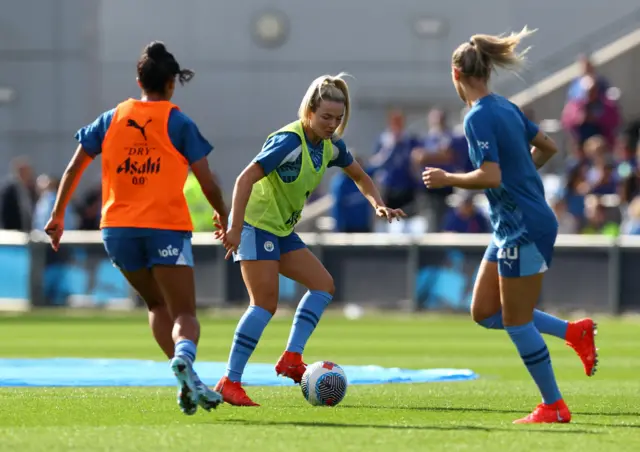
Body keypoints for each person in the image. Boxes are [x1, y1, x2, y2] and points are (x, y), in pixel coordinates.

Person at [422, 28, 597, 424]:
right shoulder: (506, 106)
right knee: (485, 311)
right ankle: (574, 333)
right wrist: (521, 177)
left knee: (516, 320)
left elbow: (491, 176)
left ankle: (553, 405)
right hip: (511, 224)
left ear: (456, 75)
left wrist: (449, 178)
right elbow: (548, 147)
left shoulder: (477, 117)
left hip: (523, 226)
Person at [44, 41, 228, 416]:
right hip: (163, 227)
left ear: (139, 79)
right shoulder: (177, 121)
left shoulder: (111, 118)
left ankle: (185, 378)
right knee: (185, 314)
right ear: (171, 84)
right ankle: (185, 361)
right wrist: (223, 214)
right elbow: (206, 180)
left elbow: (72, 168)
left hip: (117, 230)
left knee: (155, 303)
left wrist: (57, 215)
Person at [214, 73, 406, 406]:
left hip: (281, 230)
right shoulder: (288, 142)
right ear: (309, 112)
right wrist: (234, 227)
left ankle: (291, 358)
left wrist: (379, 205)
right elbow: (245, 179)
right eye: (326, 117)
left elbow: (360, 175)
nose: (332, 124)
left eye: (338, 118)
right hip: (256, 225)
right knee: (264, 304)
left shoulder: (330, 147)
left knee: (323, 285)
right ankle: (230, 381)